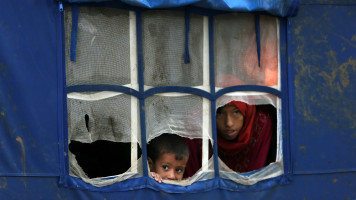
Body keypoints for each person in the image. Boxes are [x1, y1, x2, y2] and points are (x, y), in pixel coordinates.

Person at [184, 100, 276, 177]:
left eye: (236, 112)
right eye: (219, 112)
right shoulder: (198, 128)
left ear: (247, 113)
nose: (229, 123)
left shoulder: (259, 124)